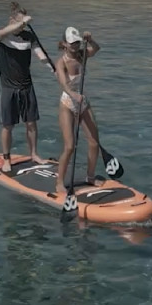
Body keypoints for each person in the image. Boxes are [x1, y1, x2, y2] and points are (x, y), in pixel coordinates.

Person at [0, 2, 49, 173]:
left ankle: (34, 154)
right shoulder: (0, 35)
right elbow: (3, 32)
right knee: (8, 125)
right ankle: (6, 159)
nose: (23, 26)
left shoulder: (29, 37)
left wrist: (52, 67)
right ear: (12, 20)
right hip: (8, 88)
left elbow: (40, 55)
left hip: (27, 86)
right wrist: (23, 22)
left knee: (31, 123)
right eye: (20, 22)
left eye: (24, 23)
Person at [55, 26, 101, 194]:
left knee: (94, 143)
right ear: (64, 44)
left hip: (83, 102)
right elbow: (64, 84)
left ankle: (90, 177)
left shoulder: (82, 55)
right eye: (72, 43)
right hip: (68, 103)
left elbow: (96, 49)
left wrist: (90, 39)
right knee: (69, 146)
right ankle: (59, 182)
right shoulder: (61, 62)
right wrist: (73, 94)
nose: (75, 46)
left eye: (77, 43)